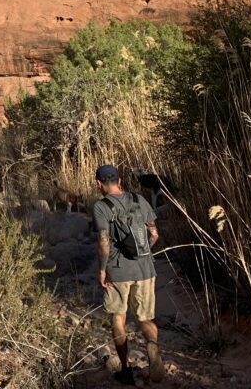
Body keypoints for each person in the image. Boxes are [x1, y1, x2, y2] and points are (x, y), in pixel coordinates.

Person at [92, 164, 164, 385]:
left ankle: (126, 369)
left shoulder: (101, 207)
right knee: (144, 318)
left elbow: (104, 243)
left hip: (118, 270)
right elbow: (154, 233)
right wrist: (143, 252)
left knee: (118, 318)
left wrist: (103, 268)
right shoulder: (138, 200)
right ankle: (152, 345)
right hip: (145, 269)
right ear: (120, 180)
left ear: (99, 183)